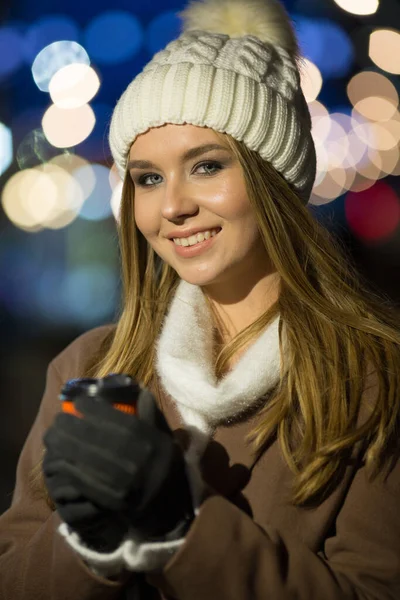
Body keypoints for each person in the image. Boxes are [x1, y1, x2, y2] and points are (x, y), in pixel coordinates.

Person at [1, 0, 400, 598]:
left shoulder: (374, 378)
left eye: (207, 166)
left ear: (276, 180)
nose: (171, 207)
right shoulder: (90, 366)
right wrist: (86, 541)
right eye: (148, 178)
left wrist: (182, 526)